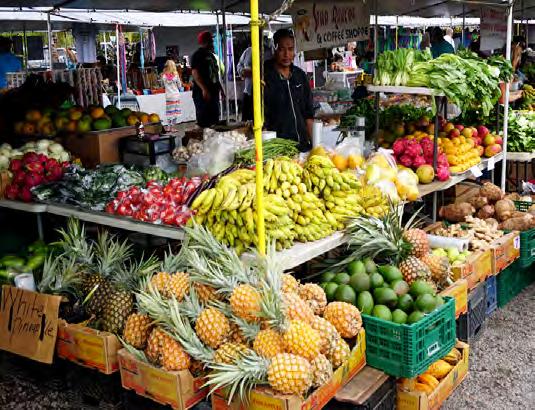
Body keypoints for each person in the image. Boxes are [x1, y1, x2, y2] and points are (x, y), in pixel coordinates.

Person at [264, 29, 314, 152]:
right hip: (278, 149)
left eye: (290, 49)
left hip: (302, 145)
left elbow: (308, 115)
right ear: (274, 49)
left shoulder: (300, 76)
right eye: (281, 49)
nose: (286, 54)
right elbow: (261, 120)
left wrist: (315, 145)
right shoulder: (265, 78)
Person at [191, 31, 223, 127]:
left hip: (213, 92)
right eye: (211, 41)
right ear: (205, 41)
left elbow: (215, 74)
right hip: (202, 94)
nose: (212, 42)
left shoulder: (211, 55)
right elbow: (195, 73)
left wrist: (221, 89)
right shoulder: (197, 55)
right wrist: (204, 89)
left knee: (214, 121)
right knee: (204, 122)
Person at [161, 60, 183, 126]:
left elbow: (162, 85)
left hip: (168, 96)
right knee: (175, 112)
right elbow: (179, 86)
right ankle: (173, 127)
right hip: (176, 95)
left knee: (169, 112)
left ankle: (169, 126)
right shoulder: (176, 75)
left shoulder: (164, 76)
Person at [237, 46, 253, 121]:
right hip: (248, 91)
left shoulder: (270, 51)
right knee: (245, 122)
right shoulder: (248, 51)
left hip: (265, 94)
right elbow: (239, 65)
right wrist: (242, 71)